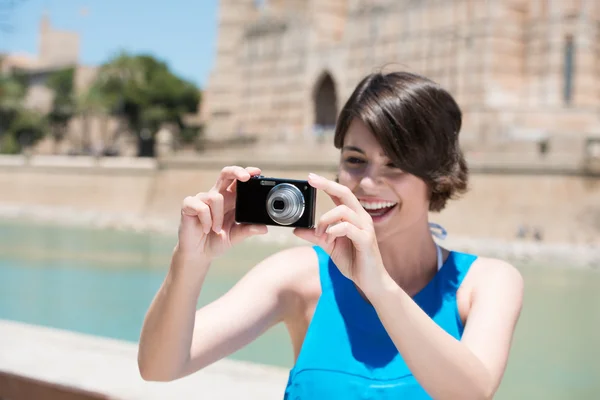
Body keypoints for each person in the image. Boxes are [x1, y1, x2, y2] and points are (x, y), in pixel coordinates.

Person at [137, 71, 524, 399]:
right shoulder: (297, 277)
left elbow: (471, 393)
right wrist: (189, 261)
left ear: (437, 176)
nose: (370, 182)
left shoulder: (486, 283)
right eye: (355, 160)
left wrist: (379, 286)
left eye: (396, 165)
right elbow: (158, 366)